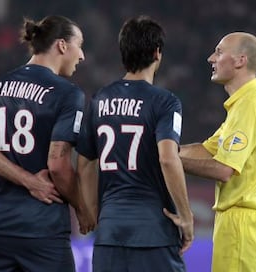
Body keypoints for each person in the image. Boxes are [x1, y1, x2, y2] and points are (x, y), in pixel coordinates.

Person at [76, 15, 194, 272]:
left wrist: (95, 213)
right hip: (153, 233)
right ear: (157, 53)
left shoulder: (99, 100)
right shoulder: (165, 102)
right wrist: (186, 217)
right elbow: (167, 158)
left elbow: (84, 163)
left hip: (110, 233)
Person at [0, 15, 93, 272]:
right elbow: (57, 165)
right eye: (80, 44)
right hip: (40, 227)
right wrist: (82, 207)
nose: (83, 55)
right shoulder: (67, 93)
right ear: (62, 46)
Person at [178, 32, 256, 272]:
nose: (211, 58)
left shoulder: (250, 105)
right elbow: (206, 149)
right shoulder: (246, 104)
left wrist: (169, 159)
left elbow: (224, 170)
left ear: (240, 61)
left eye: (219, 52)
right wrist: (166, 148)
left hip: (242, 225)